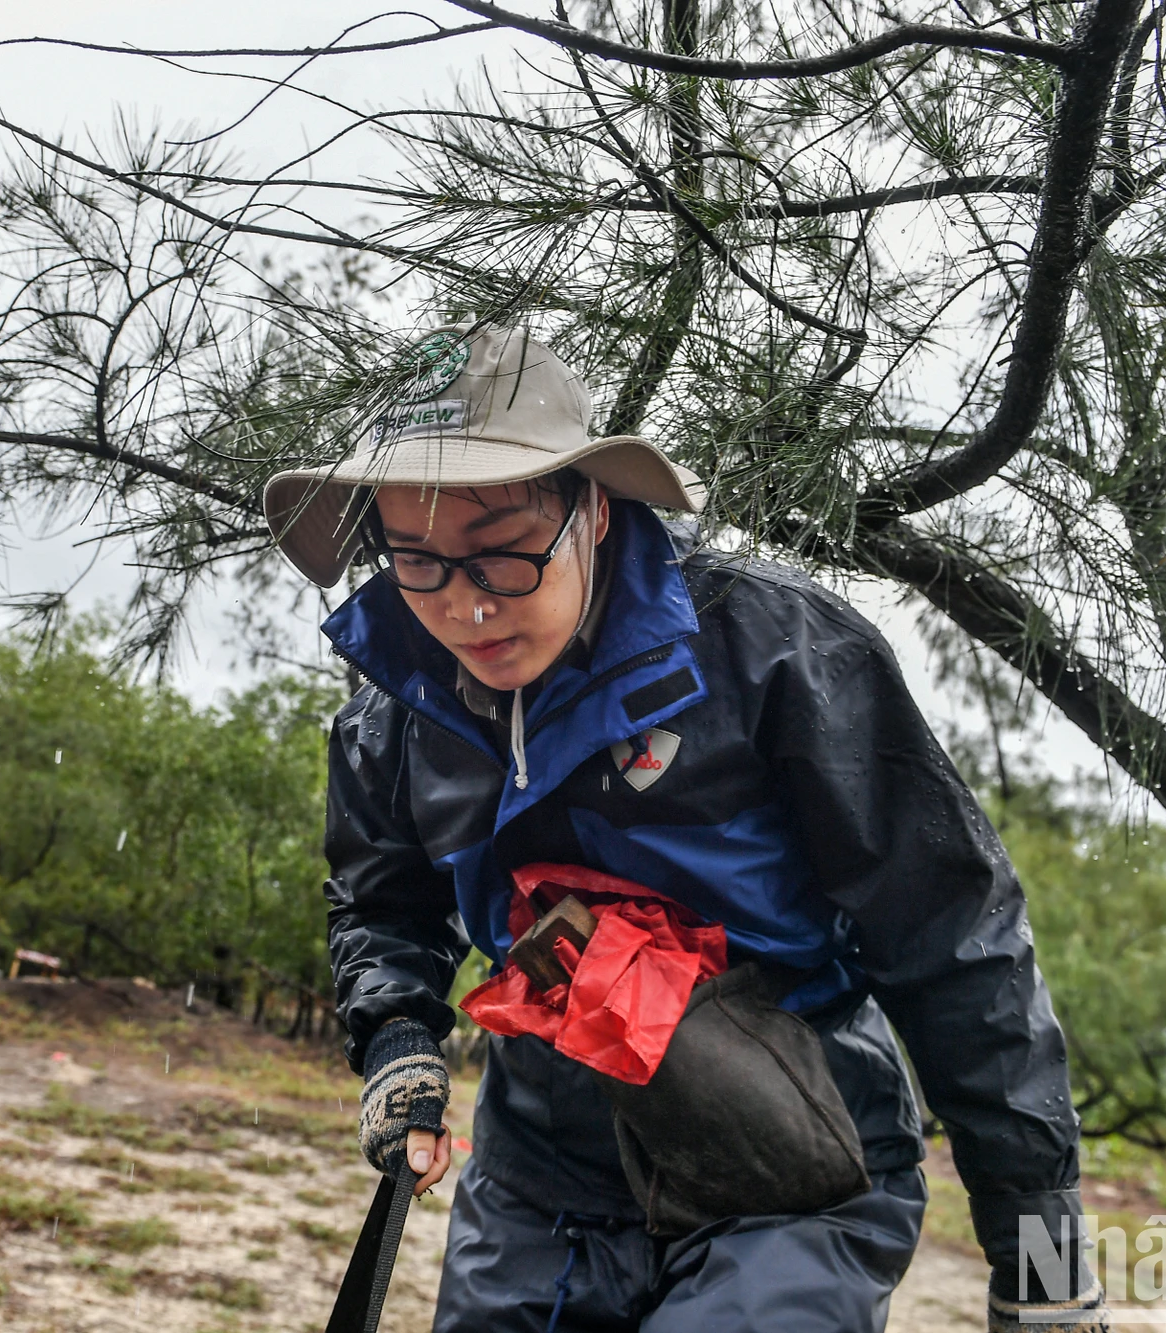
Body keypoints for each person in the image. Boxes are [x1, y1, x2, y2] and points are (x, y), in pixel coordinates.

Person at [264, 326, 1103, 1333]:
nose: (465, 607)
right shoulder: (392, 712)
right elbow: (380, 898)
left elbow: (956, 942)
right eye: (416, 561)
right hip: (542, 1176)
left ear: (593, 511)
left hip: (793, 1153)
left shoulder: (778, 652)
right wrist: (397, 1034)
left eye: (499, 552)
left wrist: (1043, 1261)